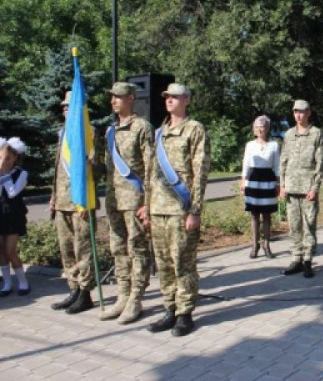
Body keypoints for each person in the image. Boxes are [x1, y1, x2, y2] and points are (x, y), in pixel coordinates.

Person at [146, 83, 210, 337]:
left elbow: (201, 172)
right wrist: (147, 206)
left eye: (174, 97)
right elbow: (152, 173)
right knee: (163, 264)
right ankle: (169, 309)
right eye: (167, 97)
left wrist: (194, 210)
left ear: (186, 100)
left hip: (181, 210)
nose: (169, 100)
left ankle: (185, 314)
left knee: (183, 263)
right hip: (158, 209)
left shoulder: (195, 130)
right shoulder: (159, 133)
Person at [100, 82, 154, 324]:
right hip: (113, 199)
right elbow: (106, 167)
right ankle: (122, 294)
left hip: (134, 198)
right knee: (118, 247)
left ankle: (136, 298)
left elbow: (152, 168)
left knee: (137, 248)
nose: (114, 101)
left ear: (131, 98)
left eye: (119, 97)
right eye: (112, 97)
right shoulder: (110, 131)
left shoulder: (142, 127)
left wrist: (148, 203)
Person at [50, 91, 98, 314]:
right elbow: (58, 170)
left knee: (83, 250)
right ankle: (74, 289)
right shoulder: (62, 134)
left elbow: (97, 168)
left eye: (70, 105)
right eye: (64, 106)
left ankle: (85, 292)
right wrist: (53, 197)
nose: (65, 109)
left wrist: (91, 162)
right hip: (62, 201)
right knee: (66, 249)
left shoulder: (89, 133)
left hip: (80, 202)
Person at [279, 100, 323, 278]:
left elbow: (320, 163)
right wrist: (282, 185)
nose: (298, 115)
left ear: (309, 113)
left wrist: (315, 187)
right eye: (295, 112)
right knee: (294, 225)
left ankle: (307, 260)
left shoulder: (316, 134)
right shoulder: (289, 134)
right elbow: (283, 159)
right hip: (291, 187)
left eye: (301, 112)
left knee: (309, 224)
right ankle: (296, 258)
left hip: (307, 188)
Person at [240, 115, 280, 259]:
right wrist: (243, 181)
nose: (259, 129)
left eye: (262, 126)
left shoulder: (274, 145)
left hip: (268, 179)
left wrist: (278, 183)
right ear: (254, 129)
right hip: (253, 179)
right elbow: (245, 163)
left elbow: (277, 165)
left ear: (267, 128)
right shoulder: (250, 145)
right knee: (254, 214)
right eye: (257, 127)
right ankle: (254, 245)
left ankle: (266, 244)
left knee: (267, 214)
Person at [0, 137, 30, 296]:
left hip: (13, 215)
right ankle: (6, 283)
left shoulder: (21, 174)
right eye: (1, 158)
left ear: (15, 158)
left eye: (7, 158)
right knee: (1, 251)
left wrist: (4, 174)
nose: (4, 161)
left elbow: (12, 193)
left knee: (10, 250)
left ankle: (23, 282)